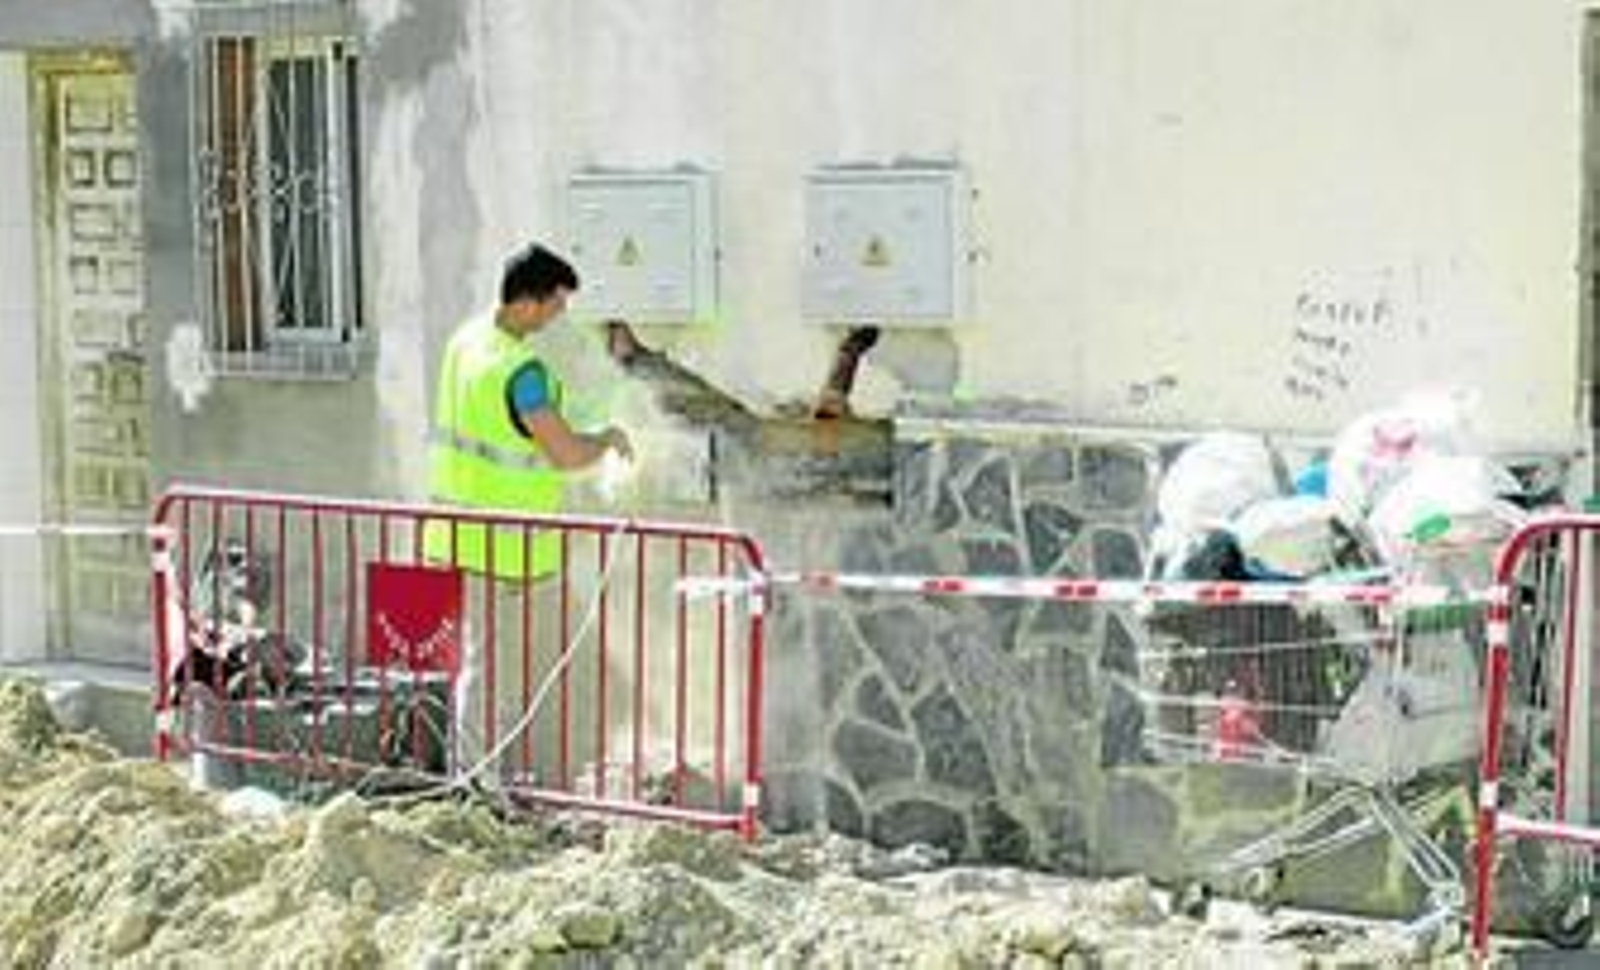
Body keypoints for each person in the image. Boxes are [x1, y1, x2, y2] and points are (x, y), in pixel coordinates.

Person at [425, 242, 632, 782]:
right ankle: (475, 787)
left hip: (457, 533)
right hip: (503, 544)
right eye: (556, 304)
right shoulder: (522, 371)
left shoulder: (466, 341)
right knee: (489, 674)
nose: (559, 315)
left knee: (481, 667)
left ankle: (475, 777)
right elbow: (562, 452)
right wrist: (606, 440)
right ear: (528, 303)